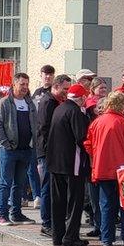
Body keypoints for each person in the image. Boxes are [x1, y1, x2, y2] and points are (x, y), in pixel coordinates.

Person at [85, 92, 124, 246]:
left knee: (105, 205)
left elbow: (88, 144)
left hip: (102, 169)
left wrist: (97, 156)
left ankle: (106, 240)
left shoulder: (97, 122)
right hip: (123, 170)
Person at [46, 84, 91, 246]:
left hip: (54, 163)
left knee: (57, 202)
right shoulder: (75, 112)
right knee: (74, 202)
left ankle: (57, 236)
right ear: (82, 98)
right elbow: (81, 138)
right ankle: (70, 237)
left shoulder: (59, 108)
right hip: (72, 164)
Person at [0, 73, 37, 225]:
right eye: (22, 84)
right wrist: (6, 144)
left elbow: (35, 124)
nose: (25, 87)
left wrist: (33, 143)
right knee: (5, 183)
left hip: (26, 150)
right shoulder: (4, 103)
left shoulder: (30, 103)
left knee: (20, 184)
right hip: (9, 151)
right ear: (14, 84)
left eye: (27, 84)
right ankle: (2, 215)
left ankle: (16, 214)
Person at [34, 75, 72, 236]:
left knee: (53, 188)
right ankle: (47, 224)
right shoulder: (48, 102)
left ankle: (53, 222)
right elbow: (45, 128)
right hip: (48, 152)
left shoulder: (56, 101)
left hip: (54, 151)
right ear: (56, 87)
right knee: (48, 188)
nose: (67, 92)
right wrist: (54, 148)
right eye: (65, 89)